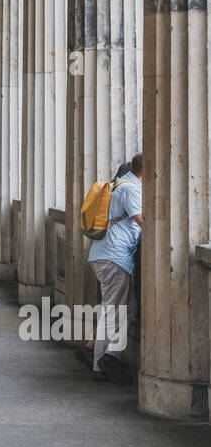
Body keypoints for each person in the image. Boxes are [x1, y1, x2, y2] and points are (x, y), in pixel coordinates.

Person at [87, 152, 143, 381]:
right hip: (113, 257)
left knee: (128, 310)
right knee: (113, 312)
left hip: (109, 256)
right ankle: (101, 367)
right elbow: (143, 221)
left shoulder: (122, 183)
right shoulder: (130, 188)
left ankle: (111, 356)